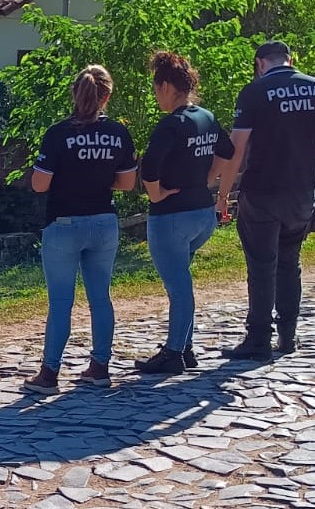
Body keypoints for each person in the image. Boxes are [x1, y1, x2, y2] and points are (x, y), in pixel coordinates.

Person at [24, 65, 138, 395]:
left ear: (75, 94)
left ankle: (49, 374)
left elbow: (40, 184)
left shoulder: (58, 134)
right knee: (100, 297)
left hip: (64, 224)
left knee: (61, 302)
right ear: (107, 96)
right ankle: (99, 367)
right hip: (104, 221)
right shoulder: (118, 133)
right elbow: (128, 182)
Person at [134, 52, 234, 374]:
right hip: (202, 215)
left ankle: (174, 352)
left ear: (165, 86)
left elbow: (147, 169)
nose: (154, 95)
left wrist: (156, 194)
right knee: (182, 281)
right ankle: (185, 347)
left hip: (171, 218)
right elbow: (228, 151)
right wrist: (208, 178)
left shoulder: (170, 125)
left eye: (155, 88)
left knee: (179, 288)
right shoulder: (205, 116)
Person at [218, 41, 315, 360]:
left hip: (262, 192)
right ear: (291, 59)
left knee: (261, 265)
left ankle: (259, 338)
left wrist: (223, 194)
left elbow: (237, 148)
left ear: (261, 63)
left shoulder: (255, 92)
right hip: (301, 193)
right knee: (290, 262)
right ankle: (288, 336)